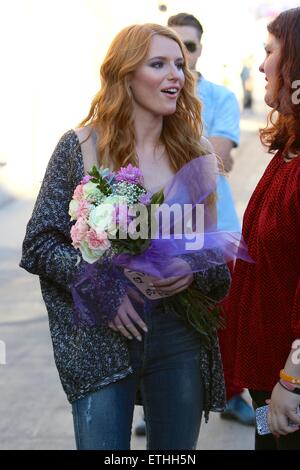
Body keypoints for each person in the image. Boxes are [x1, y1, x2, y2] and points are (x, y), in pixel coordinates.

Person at [20, 23, 232, 450]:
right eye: (159, 64)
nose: (176, 74)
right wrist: (100, 287)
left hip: (178, 333)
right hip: (101, 334)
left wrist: (190, 269)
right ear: (126, 74)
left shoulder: (197, 154)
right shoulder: (81, 146)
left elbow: (212, 253)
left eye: (179, 64)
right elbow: (40, 243)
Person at [167, 12, 255, 426]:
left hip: (216, 226)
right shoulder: (154, 94)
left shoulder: (219, 98)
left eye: (190, 46)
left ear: (201, 49)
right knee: (170, 317)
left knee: (224, 313)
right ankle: (165, 401)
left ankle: (232, 393)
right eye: (174, 45)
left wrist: (212, 158)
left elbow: (214, 160)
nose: (182, 55)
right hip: (163, 228)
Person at [224, 7, 300, 450]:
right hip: (267, 381)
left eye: (270, 51)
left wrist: (292, 380)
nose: (260, 64)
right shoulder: (289, 151)